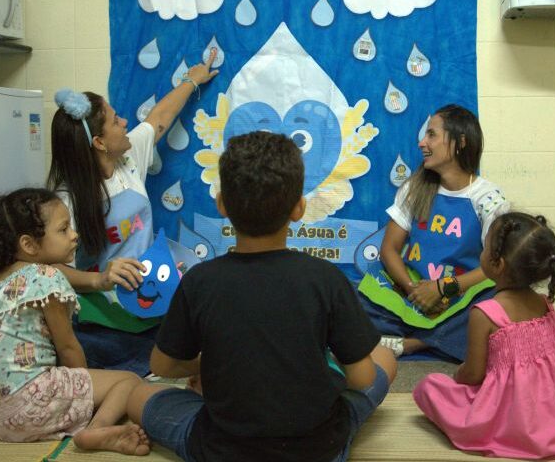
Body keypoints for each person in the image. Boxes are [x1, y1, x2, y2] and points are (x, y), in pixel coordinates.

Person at [125, 132, 398, 462]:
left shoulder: (199, 281)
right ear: (299, 208)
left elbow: (161, 365)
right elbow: (361, 378)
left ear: (221, 203)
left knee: (137, 394)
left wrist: (215, 364)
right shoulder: (327, 278)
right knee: (384, 358)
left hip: (222, 451)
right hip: (319, 450)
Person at [48, 58, 217, 375]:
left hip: (150, 303)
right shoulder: (65, 201)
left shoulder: (128, 160)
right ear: (99, 143)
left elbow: (160, 117)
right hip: (102, 320)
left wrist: (192, 80)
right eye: (115, 121)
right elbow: (48, 271)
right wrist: (99, 280)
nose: (125, 122)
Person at [0, 188, 150, 455]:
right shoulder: (46, 278)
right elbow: (68, 347)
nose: (74, 235)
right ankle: (96, 429)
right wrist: (85, 392)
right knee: (129, 381)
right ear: (29, 245)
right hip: (32, 411)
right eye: (63, 229)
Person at [413, 212, 555, 460]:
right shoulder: (545, 306)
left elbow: (473, 374)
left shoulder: (486, 313)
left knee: (430, 386)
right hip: (549, 416)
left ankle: (505, 437)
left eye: (486, 246)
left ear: (497, 264)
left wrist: (458, 376)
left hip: (503, 417)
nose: (481, 251)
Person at [358, 104, 508, 360]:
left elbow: (496, 266)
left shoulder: (488, 198)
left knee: (500, 302)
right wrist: (414, 291)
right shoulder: (414, 188)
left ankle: (415, 343)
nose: (422, 143)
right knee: (356, 298)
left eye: (432, 135)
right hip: (414, 291)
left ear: (460, 142)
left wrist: (442, 289)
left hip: (461, 294)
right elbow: (389, 250)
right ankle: (438, 338)